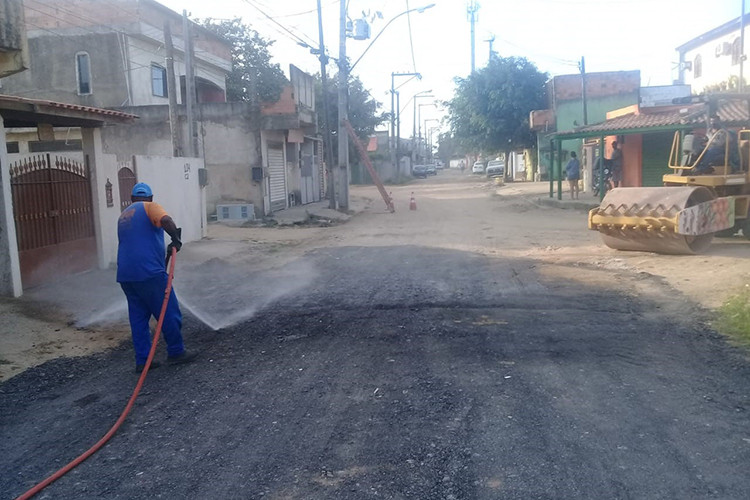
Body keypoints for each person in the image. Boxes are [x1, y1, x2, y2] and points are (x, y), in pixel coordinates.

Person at [117, 182, 196, 373]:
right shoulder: (150, 207)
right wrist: (175, 238)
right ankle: (176, 352)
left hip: (126, 275)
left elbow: (139, 242)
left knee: (138, 318)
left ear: (132, 198)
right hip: (149, 273)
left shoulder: (124, 215)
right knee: (168, 311)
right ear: (150, 197)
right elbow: (166, 220)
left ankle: (143, 360)